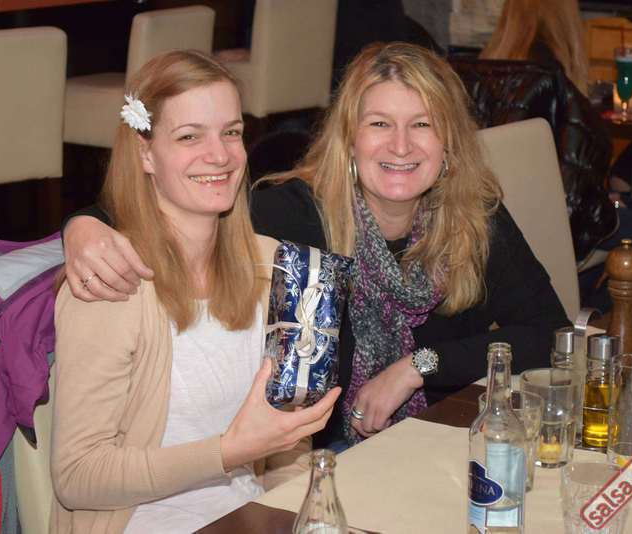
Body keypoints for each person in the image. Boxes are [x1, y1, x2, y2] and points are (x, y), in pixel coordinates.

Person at [61, 43, 570, 451]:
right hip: (323, 457)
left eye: (422, 124)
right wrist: (81, 226)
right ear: (349, 138)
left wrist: (418, 367)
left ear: (449, 142)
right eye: (379, 124)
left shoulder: (473, 218)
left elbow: (551, 332)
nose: (401, 146)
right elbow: (169, 207)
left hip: (440, 441)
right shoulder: (296, 215)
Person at [50, 50, 339, 533]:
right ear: (145, 153)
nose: (220, 155)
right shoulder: (112, 283)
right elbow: (77, 476)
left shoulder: (274, 266)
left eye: (231, 132)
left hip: (249, 518)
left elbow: (287, 443)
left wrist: (296, 517)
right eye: (189, 136)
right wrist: (228, 452)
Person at [482, 0, 632, 311]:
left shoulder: (485, 68)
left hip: (502, 219)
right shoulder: (552, 78)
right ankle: (596, 319)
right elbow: (573, 179)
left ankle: (578, 311)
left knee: (627, 208)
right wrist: (604, 201)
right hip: (557, 221)